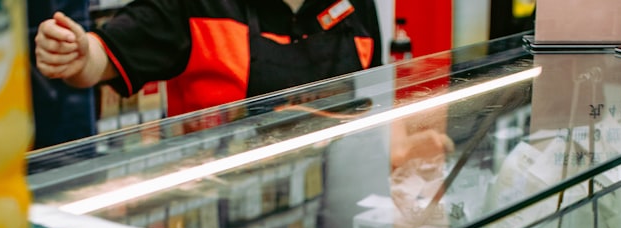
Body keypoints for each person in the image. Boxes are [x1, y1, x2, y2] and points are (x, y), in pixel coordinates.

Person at [34, 0, 384, 117]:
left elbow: (376, 108)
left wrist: (407, 148)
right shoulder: (198, 5)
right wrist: (78, 55)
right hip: (221, 223)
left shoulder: (354, 7)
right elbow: (103, 56)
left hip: (341, 214)